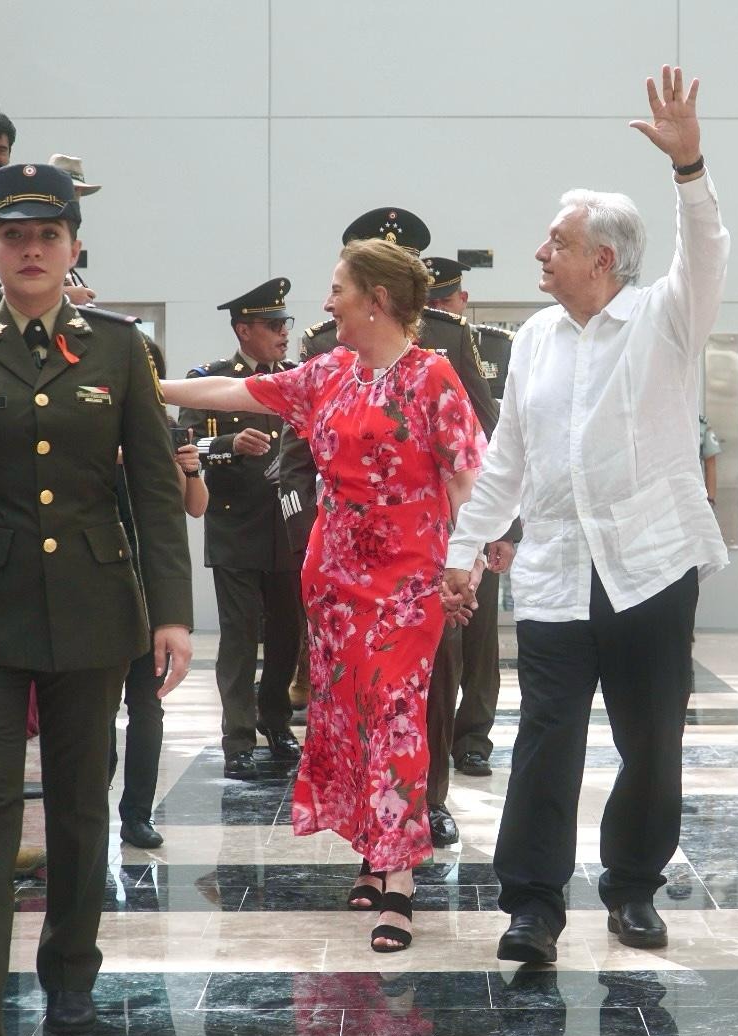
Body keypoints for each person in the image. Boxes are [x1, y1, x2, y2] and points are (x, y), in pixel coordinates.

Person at [441, 66, 727, 965]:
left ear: (602, 259)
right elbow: (508, 461)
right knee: (545, 740)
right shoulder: (531, 338)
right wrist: (462, 546)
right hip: (559, 572)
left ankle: (633, 888)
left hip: (650, 566)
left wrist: (689, 168)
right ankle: (532, 906)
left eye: (555, 242)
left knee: (651, 742)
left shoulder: (665, 318)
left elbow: (706, 250)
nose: (539, 253)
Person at [0, 163, 193, 1036]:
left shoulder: (117, 349)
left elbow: (152, 490)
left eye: (47, 237)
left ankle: (71, 979)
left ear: (72, 249)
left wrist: (171, 613)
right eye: (13, 237)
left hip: (95, 612)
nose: (30, 252)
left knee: (77, 808)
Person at [161, 237, 485, 953]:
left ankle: (398, 884)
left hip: (407, 584)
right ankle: (374, 852)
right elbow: (234, 392)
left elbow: (469, 478)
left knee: (398, 717)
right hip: (332, 582)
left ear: (376, 299)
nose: (327, 301)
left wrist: (469, 565)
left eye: (338, 288)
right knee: (351, 722)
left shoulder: (433, 377)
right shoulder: (329, 372)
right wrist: (143, 384)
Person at [292, 210, 499, 846]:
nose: (329, 301)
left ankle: (421, 810)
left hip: (420, 559)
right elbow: (297, 438)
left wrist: (486, 544)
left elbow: (475, 448)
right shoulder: (327, 354)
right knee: (353, 705)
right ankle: (370, 834)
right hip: (342, 566)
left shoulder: (445, 347)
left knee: (425, 693)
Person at [175, 278, 303, 780]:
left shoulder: (294, 378)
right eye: (272, 325)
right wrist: (228, 443)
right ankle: (238, 737)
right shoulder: (210, 380)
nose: (282, 334)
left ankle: (276, 722)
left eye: (285, 324)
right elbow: (184, 446)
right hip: (235, 529)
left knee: (287, 636)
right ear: (242, 329)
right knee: (239, 637)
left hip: (287, 530)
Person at [111, 339, 207, 851]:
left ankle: (137, 814)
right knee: (99, 708)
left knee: (146, 706)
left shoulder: (169, 432)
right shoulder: (89, 424)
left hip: (153, 585)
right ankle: (89, 804)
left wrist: (186, 467)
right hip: (101, 581)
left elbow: (194, 507)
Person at [425, 254, 518, 778]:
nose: (439, 312)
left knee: (479, 635)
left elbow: (504, 449)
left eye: (446, 301)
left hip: (477, 515)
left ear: (463, 300)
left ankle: (474, 737)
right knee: (440, 646)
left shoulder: (494, 348)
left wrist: (506, 529)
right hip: (425, 517)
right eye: (429, 303)